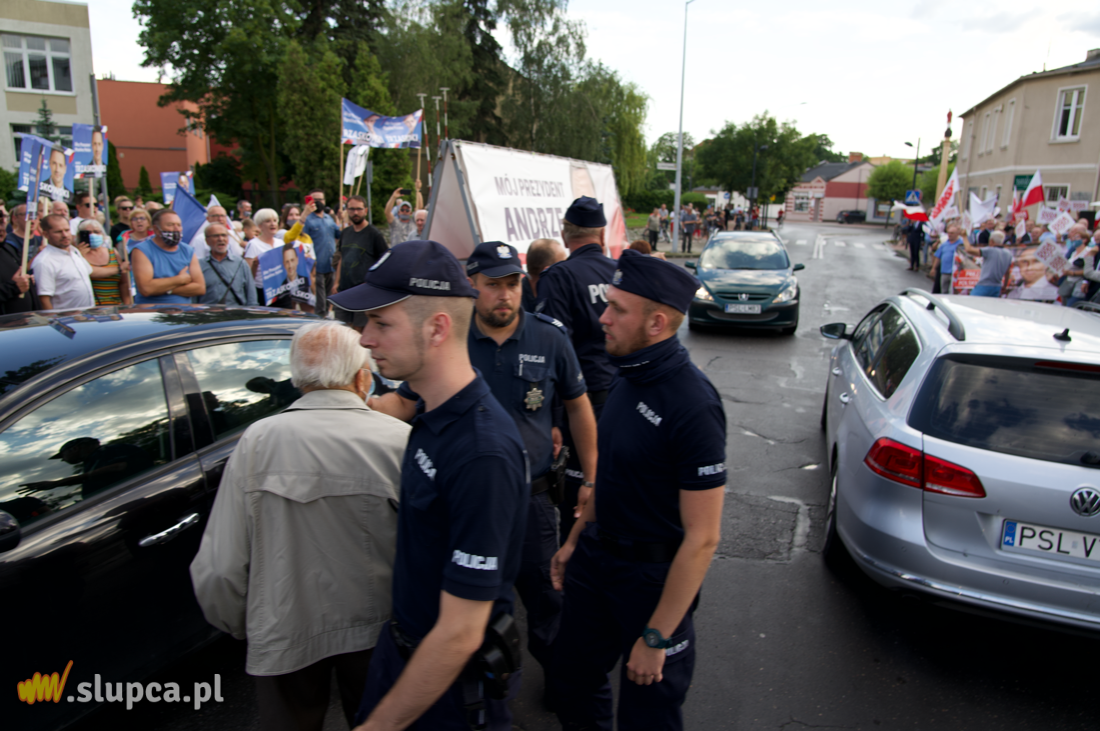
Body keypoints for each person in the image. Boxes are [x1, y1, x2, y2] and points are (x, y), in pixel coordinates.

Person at [370, 241, 598, 685]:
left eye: (513, 284)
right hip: (462, 500)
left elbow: (577, 407)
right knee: (467, 603)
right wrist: (351, 404)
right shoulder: (449, 340)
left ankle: (561, 684)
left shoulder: (548, 336)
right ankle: (474, 687)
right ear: (472, 286)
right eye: (494, 285)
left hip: (531, 500)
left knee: (546, 601)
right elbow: (405, 402)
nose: (506, 295)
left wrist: (591, 478)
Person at [329, 240, 528, 731]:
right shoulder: (431, 409)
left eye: (381, 323)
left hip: (446, 695)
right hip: (400, 655)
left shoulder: (482, 453)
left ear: (437, 327)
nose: (365, 340)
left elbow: (461, 633)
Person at [191, 322, 410, 731]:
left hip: (283, 631)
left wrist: (248, 625)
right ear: (362, 377)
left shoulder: (256, 441)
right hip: (378, 634)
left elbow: (219, 569)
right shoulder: (398, 440)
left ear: (297, 379)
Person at [549, 249, 726, 731]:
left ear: (657, 323)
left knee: (648, 713)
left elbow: (704, 537)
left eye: (617, 310)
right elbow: (610, 476)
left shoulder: (693, 404)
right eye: (606, 304)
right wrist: (573, 541)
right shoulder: (627, 375)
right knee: (569, 680)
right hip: (596, 561)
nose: (602, 318)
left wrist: (656, 636)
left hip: (651, 581)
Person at [535, 196, 616, 538]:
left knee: (578, 504)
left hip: (582, 407)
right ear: (602, 234)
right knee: (614, 489)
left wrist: (552, 420)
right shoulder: (620, 272)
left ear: (566, 235)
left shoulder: (559, 276)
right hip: (622, 398)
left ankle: (575, 573)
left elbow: (554, 351)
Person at [131, 209, 206, 304]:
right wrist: (180, 280)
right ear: (157, 229)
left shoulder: (188, 250)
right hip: (152, 314)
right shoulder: (142, 250)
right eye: (170, 225)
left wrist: (168, 289)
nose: (177, 229)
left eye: (179, 225)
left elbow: (200, 288)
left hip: (183, 313)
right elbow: (146, 289)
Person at [334, 195, 388, 327]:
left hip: (363, 293)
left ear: (366, 210)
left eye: (359, 209)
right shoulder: (345, 233)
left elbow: (385, 261)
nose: (355, 212)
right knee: (341, 330)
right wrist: (336, 282)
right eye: (352, 209)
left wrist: (373, 283)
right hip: (344, 292)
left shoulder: (374, 234)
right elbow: (342, 257)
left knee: (358, 333)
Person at [32, 214, 95, 310]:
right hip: (67, 320)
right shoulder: (44, 262)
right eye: (58, 232)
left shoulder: (74, 251)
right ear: (45, 234)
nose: (65, 235)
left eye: (67, 230)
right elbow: (44, 300)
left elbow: (89, 272)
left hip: (88, 316)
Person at [300, 188, 340, 317]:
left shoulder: (329, 219)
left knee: (330, 299)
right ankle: (319, 321)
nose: (318, 202)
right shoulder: (307, 220)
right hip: (316, 266)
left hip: (330, 264)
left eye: (320, 199)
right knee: (319, 301)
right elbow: (303, 240)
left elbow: (339, 234)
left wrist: (343, 220)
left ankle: (326, 319)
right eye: (315, 199)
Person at [196, 224, 258, 306]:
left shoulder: (240, 263)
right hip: (208, 315)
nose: (221, 239)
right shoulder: (199, 265)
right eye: (216, 236)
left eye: (224, 235)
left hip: (236, 315)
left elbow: (251, 295)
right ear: (207, 241)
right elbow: (193, 298)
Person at [75, 219, 130, 306]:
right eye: (88, 233)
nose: (92, 235)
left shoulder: (113, 253)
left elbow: (123, 283)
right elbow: (90, 272)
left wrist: (127, 305)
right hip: (90, 309)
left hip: (114, 307)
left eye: (96, 232)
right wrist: (119, 269)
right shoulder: (77, 256)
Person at [0, 204, 37, 314]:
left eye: (2, 221)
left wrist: (28, 280)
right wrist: (13, 287)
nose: (1, 227)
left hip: (25, 323)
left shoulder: (9, 249)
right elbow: (14, 286)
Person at [244, 208, 284, 304]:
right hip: (263, 291)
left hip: (281, 290)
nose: (273, 223)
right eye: (268, 221)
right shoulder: (253, 244)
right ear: (260, 226)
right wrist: (255, 264)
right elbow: (247, 275)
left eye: (275, 220)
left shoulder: (281, 243)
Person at [522, 238, 567, 313]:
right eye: (563, 265)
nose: (567, 268)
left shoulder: (564, 292)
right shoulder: (516, 302)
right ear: (547, 271)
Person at [961, 230, 1012, 297]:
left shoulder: (990, 250)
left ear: (991, 241)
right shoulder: (1008, 253)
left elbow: (969, 250)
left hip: (984, 285)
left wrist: (964, 236)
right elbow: (1007, 272)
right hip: (997, 286)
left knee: (972, 303)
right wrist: (1005, 286)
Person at [931, 225, 964, 294]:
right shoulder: (944, 244)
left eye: (952, 233)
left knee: (954, 293)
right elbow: (938, 257)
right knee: (944, 292)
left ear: (957, 233)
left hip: (956, 274)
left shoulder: (961, 244)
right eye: (948, 233)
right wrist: (933, 268)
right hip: (944, 272)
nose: (949, 234)